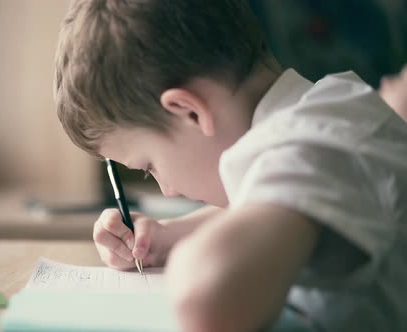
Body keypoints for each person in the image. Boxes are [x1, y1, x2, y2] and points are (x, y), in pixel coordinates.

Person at [53, 1, 407, 331]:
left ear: (189, 111)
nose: (167, 190)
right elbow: (278, 205)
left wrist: (195, 257)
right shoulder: (326, 112)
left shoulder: (311, 145)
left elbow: (205, 301)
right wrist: (166, 236)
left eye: (150, 166)